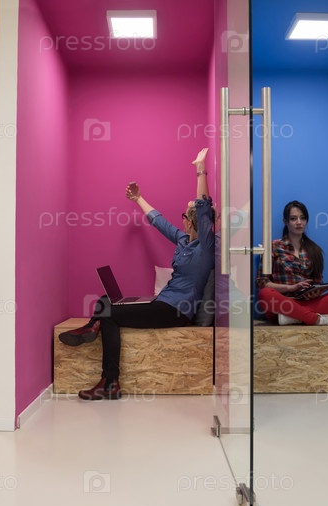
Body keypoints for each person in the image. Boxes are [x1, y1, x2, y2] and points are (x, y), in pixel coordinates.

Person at [59, 148, 215, 400]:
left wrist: (200, 169)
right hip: (162, 303)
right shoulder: (183, 240)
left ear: (192, 220)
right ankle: (92, 328)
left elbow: (203, 206)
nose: (183, 219)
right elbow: (158, 221)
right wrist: (138, 198)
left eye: (186, 214)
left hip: (176, 310)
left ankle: (109, 381)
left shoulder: (206, 247)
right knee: (105, 301)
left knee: (109, 315)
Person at [256, 200, 328, 326]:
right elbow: (262, 283)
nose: (299, 222)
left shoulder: (314, 250)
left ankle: (295, 317)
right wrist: (290, 288)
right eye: (293, 219)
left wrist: (315, 292)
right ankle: (316, 319)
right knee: (265, 294)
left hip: (309, 302)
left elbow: (317, 282)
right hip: (284, 303)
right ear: (285, 222)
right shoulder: (272, 246)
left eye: (303, 218)